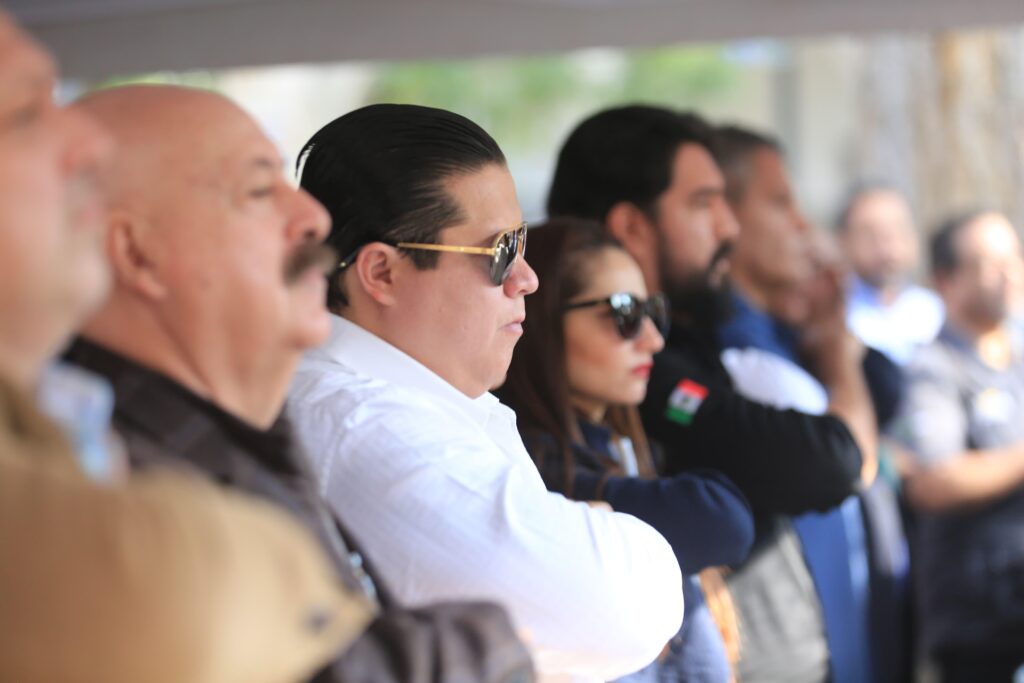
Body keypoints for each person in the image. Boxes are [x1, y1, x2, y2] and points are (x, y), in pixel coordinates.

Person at [63, 85, 534, 683]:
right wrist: (498, 646)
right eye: (259, 190)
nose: (314, 220)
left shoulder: (235, 431)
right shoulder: (115, 480)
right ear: (137, 254)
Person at [0, 13, 372, 683]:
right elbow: (174, 592)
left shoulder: (65, 424)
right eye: (27, 114)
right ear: (135, 253)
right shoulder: (127, 455)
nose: (314, 218)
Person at [290, 103, 684, 682]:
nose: (527, 278)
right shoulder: (367, 425)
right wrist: (594, 525)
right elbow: (617, 609)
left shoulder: (403, 401)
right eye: (500, 252)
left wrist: (588, 528)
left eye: (521, 242)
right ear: (382, 274)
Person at [547, 105, 876, 683]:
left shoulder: (695, 342)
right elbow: (829, 464)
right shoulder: (644, 386)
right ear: (632, 227)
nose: (729, 227)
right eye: (704, 203)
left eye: (650, 315)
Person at [496, 217, 754, 683]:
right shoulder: (534, 468)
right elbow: (723, 521)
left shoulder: (618, 448)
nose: (653, 338)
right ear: (542, 321)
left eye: (653, 310)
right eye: (625, 313)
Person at [714, 125, 911, 683]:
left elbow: (891, 389)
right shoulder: (731, 346)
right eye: (781, 203)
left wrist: (826, 320)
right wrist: (834, 351)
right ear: (726, 215)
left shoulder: (782, 328)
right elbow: (854, 461)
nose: (803, 226)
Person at [895, 209, 1024, 682]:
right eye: (989, 263)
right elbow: (934, 480)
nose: (1008, 273)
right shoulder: (934, 368)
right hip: (981, 624)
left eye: (1014, 257)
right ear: (946, 280)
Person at [838, 183, 944, 365]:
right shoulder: (837, 316)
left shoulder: (936, 311)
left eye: (896, 230)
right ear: (844, 240)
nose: (886, 246)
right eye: (870, 234)